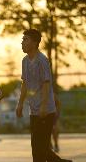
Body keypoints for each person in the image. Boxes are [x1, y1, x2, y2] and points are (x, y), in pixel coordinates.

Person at [16, 29, 72, 162]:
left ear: (34, 43)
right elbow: (25, 83)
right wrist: (20, 103)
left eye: (25, 39)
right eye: (22, 40)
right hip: (34, 111)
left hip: (46, 111)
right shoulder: (24, 61)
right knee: (40, 147)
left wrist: (43, 106)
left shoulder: (42, 60)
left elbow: (47, 84)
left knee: (38, 150)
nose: (22, 42)